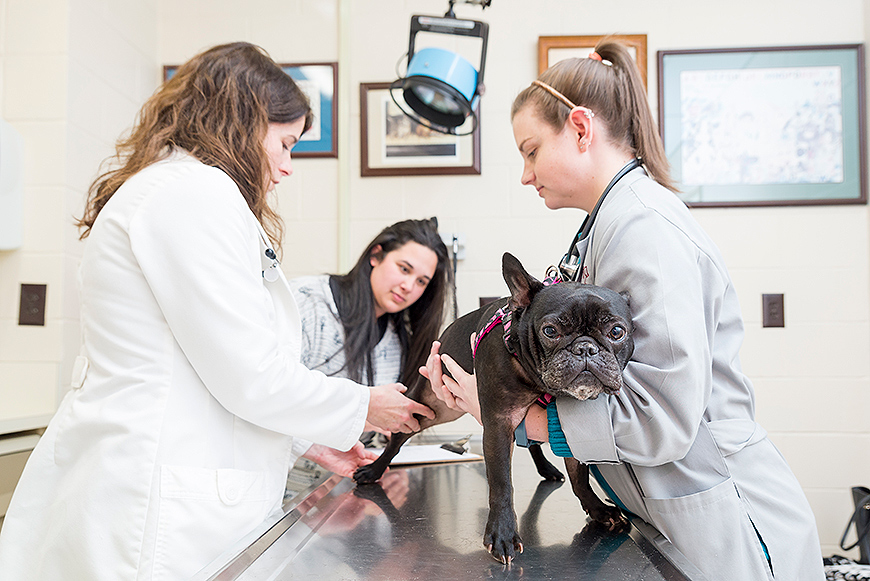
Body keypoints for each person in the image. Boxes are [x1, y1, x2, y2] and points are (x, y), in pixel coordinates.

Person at [0, 42, 433, 581]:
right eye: (285, 143)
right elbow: (248, 372)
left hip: (163, 483)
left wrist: (310, 441)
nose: (286, 166)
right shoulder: (193, 194)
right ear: (247, 122)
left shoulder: (184, 192)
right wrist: (363, 404)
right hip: (152, 500)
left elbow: (209, 368)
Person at [424, 41, 824, 580]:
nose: (525, 173)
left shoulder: (646, 230)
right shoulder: (612, 223)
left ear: (581, 129)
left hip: (729, 524)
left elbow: (663, 419)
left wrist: (509, 416)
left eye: (531, 149)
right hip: (671, 508)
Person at [289, 217, 451, 448]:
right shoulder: (305, 301)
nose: (409, 286)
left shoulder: (398, 338)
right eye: (404, 269)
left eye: (421, 282)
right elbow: (274, 392)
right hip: (285, 467)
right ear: (376, 255)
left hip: (348, 468)